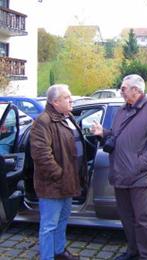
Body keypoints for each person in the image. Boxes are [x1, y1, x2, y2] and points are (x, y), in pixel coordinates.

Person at [91, 74, 147, 260]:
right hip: (120, 175)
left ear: (137, 90)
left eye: (124, 88)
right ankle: (133, 252)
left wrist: (138, 165)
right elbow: (118, 136)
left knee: (143, 221)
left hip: (140, 177)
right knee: (127, 218)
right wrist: (104, 133)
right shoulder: (122, 110)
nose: (121, 91)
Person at [30, 84, 87, 260]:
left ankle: (59, 252)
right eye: (67, 97)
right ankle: (47, 257)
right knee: (49, 226)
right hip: (53, 185)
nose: (71, 100)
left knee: (62, 222)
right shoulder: (43, 121)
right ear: (55, 101)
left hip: (68, 182)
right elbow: (41, 154)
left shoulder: (67, 116)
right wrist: (59, 174)